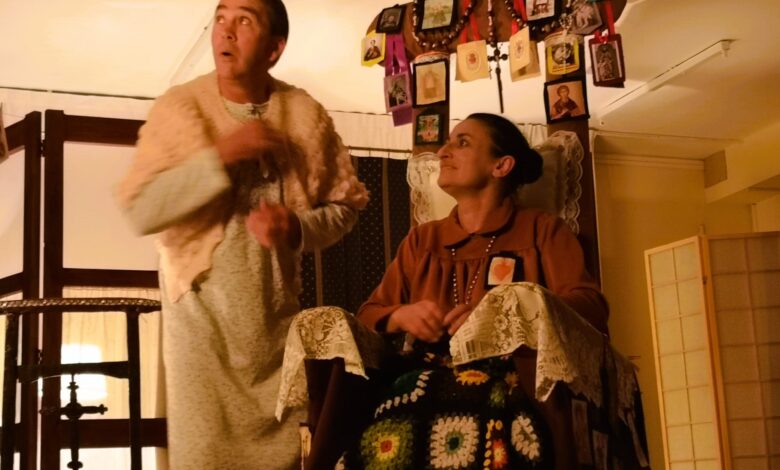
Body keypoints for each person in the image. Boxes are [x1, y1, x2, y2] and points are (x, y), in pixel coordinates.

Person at [116, 0, 368, 468]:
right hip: (201, 336)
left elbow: (347, 207)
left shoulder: (304, 114)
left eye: (245, 20)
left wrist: (296, 227)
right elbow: (141, 210)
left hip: (277, 332)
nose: (226, 31)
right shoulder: (181, 108)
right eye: (221, 18)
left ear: (274, 48)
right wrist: (219, 156)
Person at [336, 113, 609, 468]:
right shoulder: (422, 240)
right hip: (425, 378)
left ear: (501, 165)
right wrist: (402, 315)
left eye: (462, 142)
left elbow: (591, 307)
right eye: (447, 142)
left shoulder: (543, 230)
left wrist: (506, 313)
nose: (443, 152)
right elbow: (369, 315)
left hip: (512, 378)